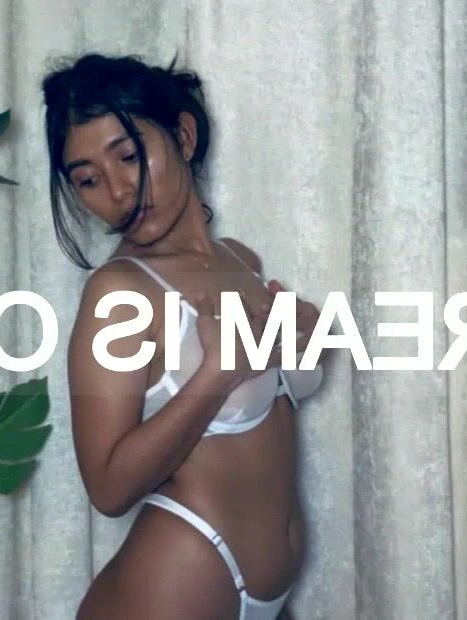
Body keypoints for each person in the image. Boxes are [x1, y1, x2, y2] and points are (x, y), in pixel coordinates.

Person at [43, 53, 326, 620]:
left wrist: (306, 337)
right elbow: (108, 487)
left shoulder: (240, 261)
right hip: (175, 584)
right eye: (88, 180)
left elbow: (266, 418)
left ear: (184, 136)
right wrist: (217, 375)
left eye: (129, 156)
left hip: (268, 594)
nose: (118, 191)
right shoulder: (119, 292)